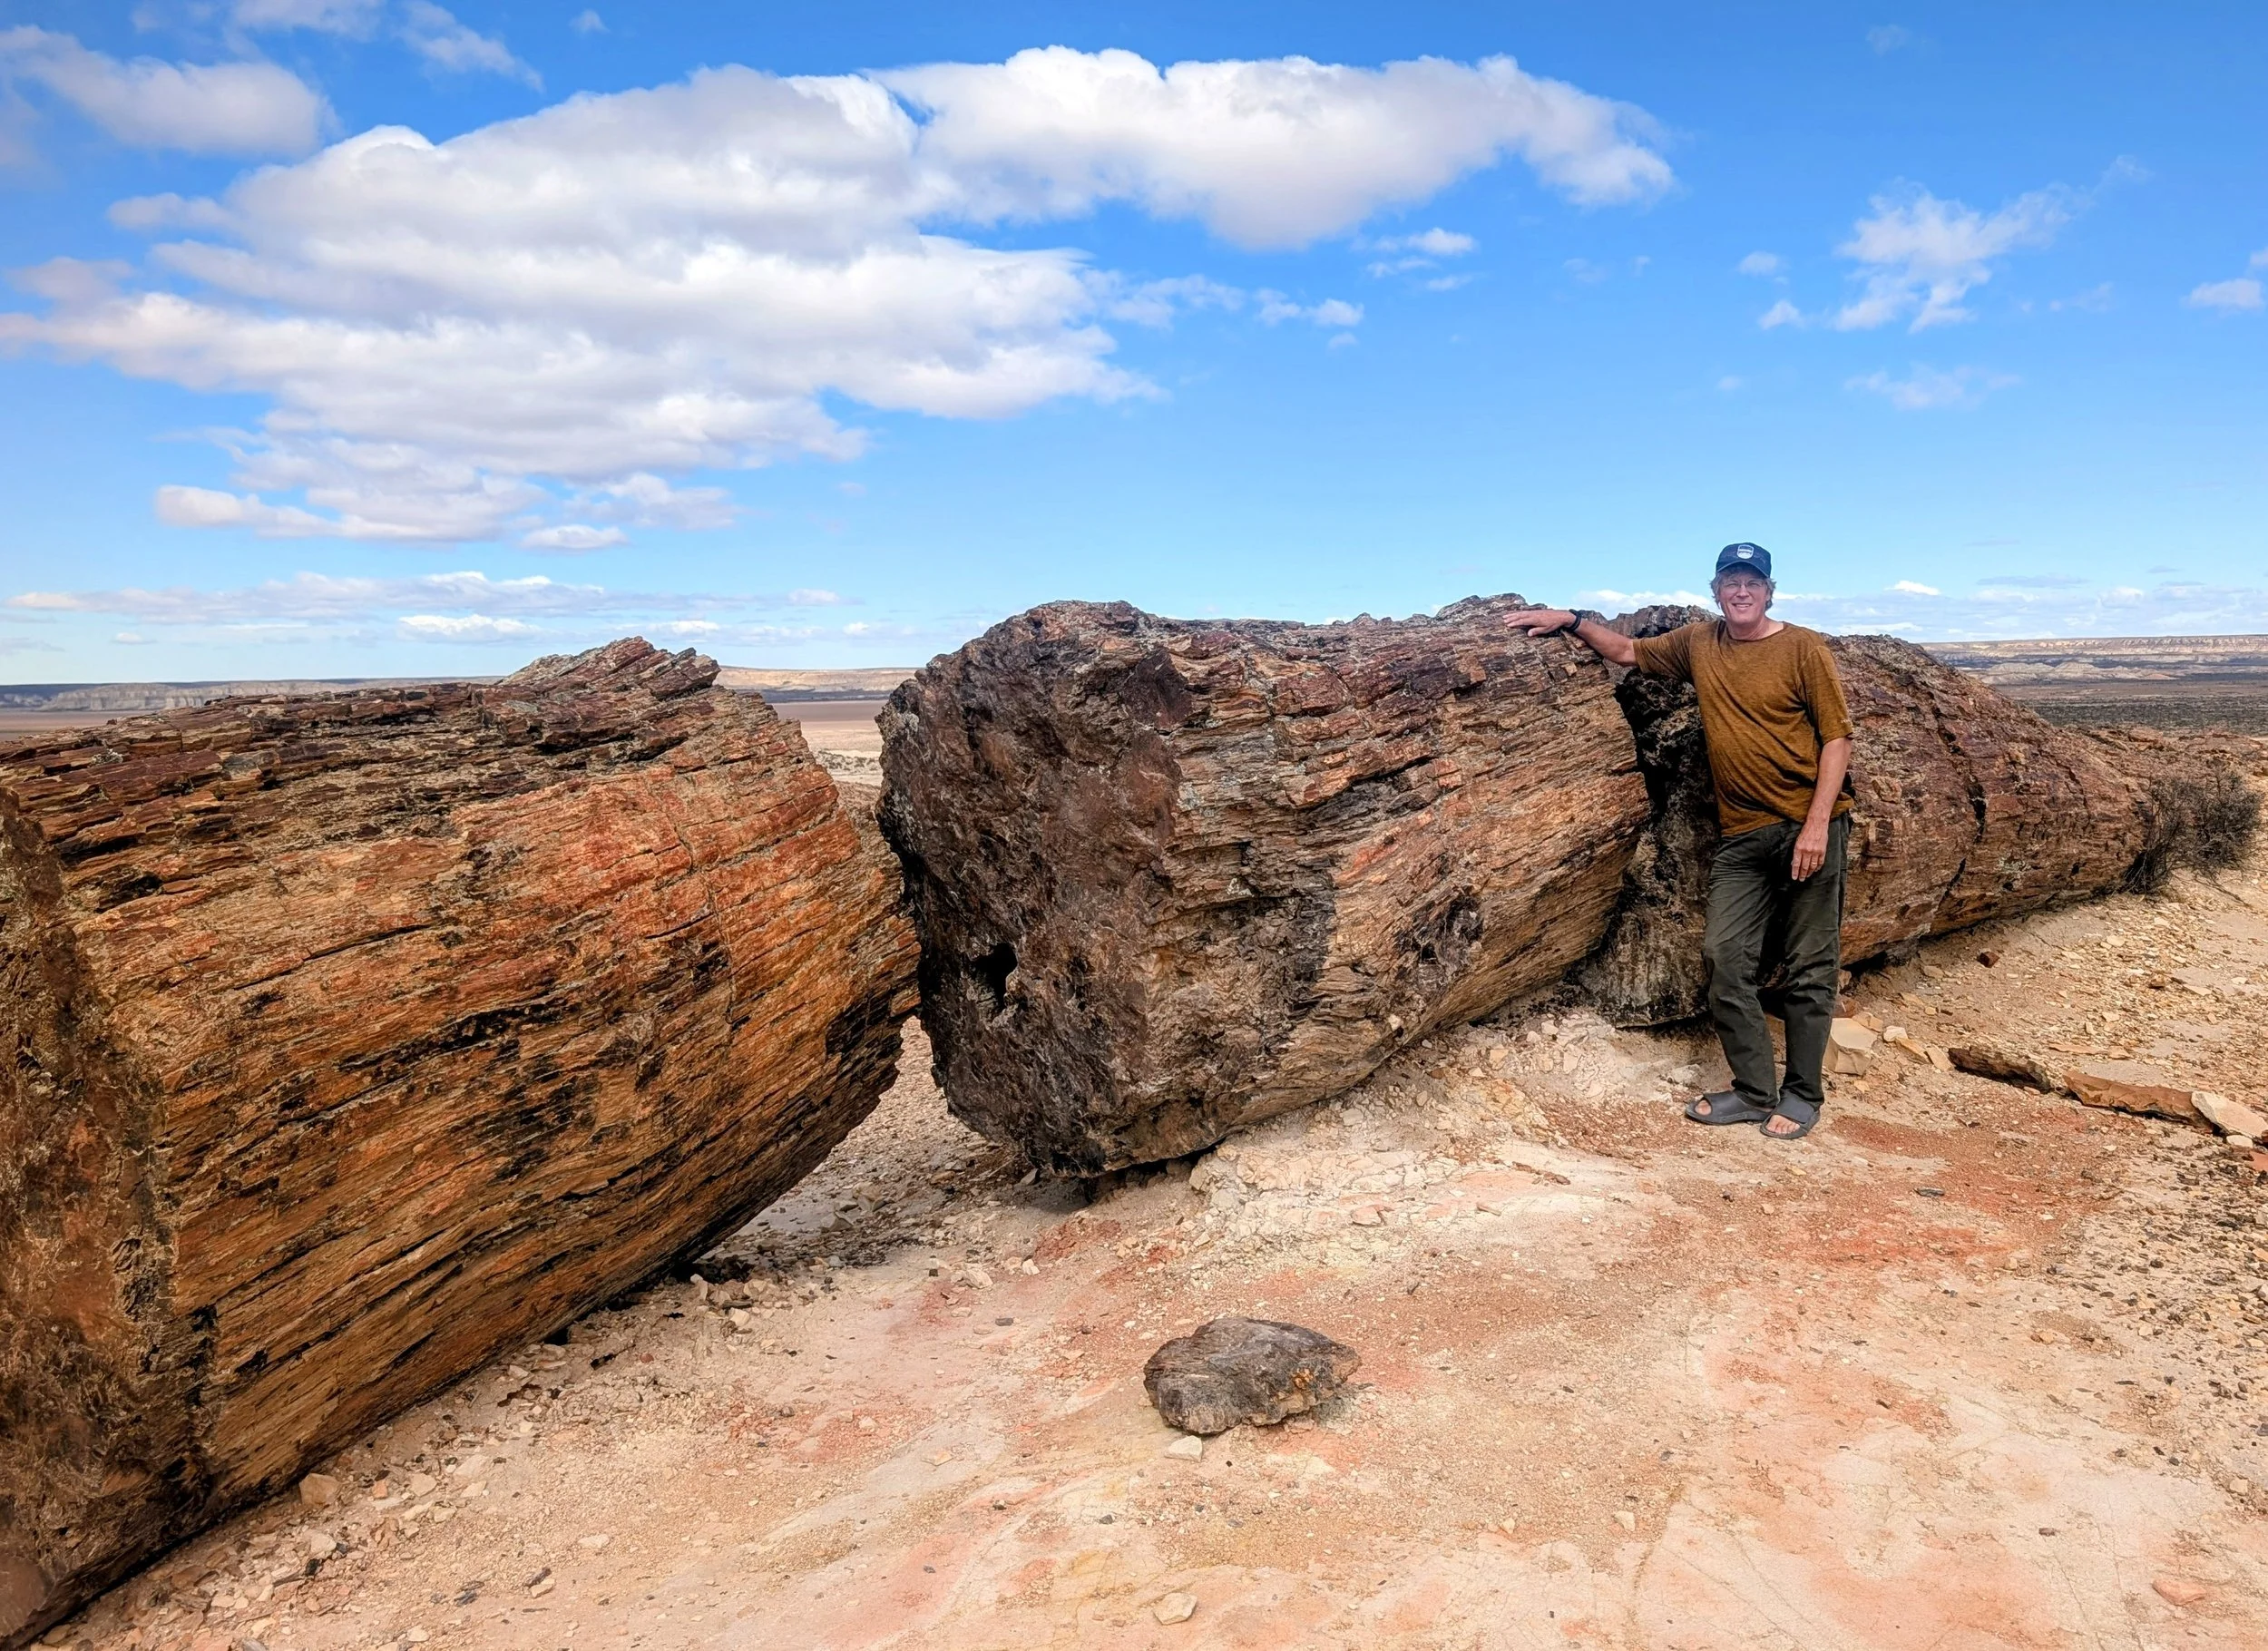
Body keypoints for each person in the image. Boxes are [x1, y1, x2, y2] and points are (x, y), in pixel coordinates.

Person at [1508, 543, 1854, 1140]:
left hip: (1809, 828)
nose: (1741, 592)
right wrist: (1571, 619)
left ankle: (1802, 1094)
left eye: (1752, 582)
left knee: (1809, 966)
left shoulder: (1803, 648)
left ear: (1770, 592)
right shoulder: (1700, 642)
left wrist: (1818, 824)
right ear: (1715, 591)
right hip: (1742, 836)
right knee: (1724, 956)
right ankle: (1754, 1091)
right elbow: (1627, 651)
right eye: (1731, 582)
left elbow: (1836, 738)